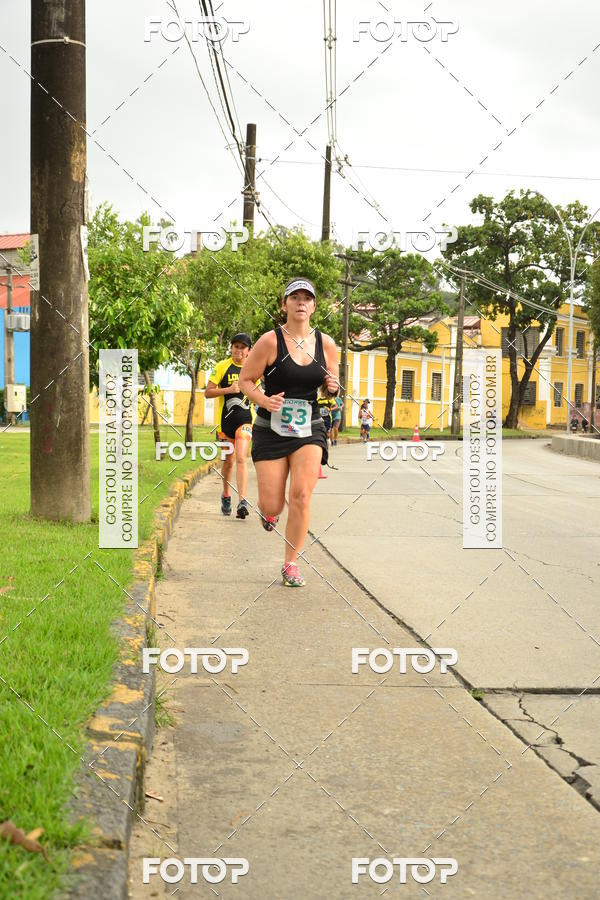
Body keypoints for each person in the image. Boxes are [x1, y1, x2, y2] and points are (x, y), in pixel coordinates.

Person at [239, 277, 340, 587]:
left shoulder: (326, 344)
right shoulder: (270, 341)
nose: (300, 302)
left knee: (301, 495)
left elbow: (331, 386)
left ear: (313, 306)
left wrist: (332, 387)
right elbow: (245, 381)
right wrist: (264, 400)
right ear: (283, 305)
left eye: (306, 298)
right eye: (294, 297)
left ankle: (291, 563)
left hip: (309, 426)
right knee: (272, 504)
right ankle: (268, 513)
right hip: (271, 428)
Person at [205, 333, 254, 519]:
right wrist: (229, 390)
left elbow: (261, 389)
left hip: (246, 420)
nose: (238, 351)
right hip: (225, 422)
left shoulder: (254, 368)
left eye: (243, 347)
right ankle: (226, 495)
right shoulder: (222, 366)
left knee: (241, 456)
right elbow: (208, 393)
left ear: (249, 351)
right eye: (236, 346)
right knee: (228, 461)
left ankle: (242, 501)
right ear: (231, 348)